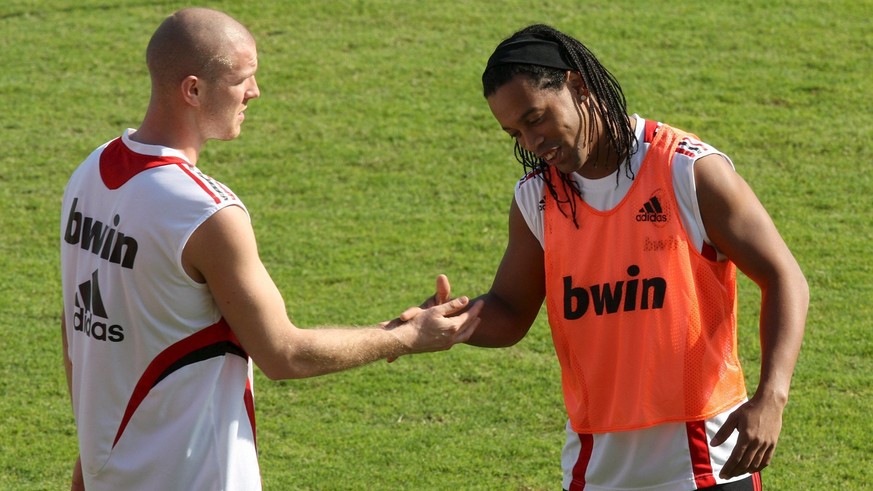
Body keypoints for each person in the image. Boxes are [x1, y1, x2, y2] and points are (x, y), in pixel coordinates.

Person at [59, 8, 481, 491]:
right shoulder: (205, 213)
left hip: (112, 475)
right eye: (243, 79)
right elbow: (283, 353)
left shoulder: (90, 173)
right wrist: (406, 337)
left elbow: (80, 332)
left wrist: (91, 456)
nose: (255, 93)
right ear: (193, 90)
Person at [407, 24, 808, 490]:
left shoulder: (687, 170)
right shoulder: (537, 199)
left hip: (706, 463)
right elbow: (511, 311)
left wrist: (771, 398)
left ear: (578, 86)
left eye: (535, 118)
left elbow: (785, 277)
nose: (531, 142)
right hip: (596, 469)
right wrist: (449, 323)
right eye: (513, 132)